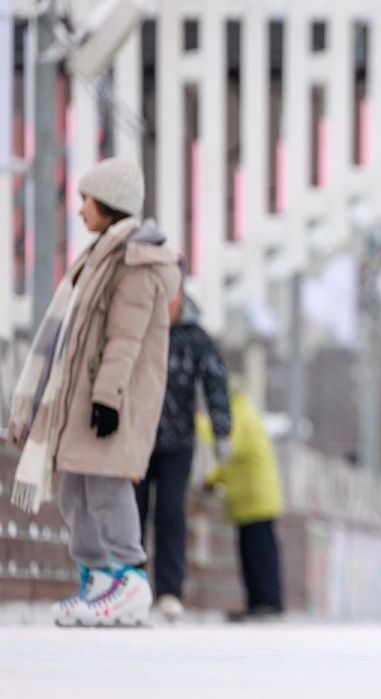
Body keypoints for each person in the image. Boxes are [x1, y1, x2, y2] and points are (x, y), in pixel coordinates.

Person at [7, 157, 180, 627]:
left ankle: (130, 577)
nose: (80, 208)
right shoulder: (98, 256)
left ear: (109, 204)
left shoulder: (136, 262)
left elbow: (125, 338)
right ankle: (100, 578)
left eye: (87, 199)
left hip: (106, 400)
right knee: (74, 491)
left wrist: (107, 398)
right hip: (78, 398)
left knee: (105, 487)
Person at [134, 288, 232, 621]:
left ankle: (169, 591)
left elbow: (216, 381)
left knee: (170, 513)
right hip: (139, 438)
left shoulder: (195, 338)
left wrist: (222, 431)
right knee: (133, 510)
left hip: (178, 442)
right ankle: (132, 584)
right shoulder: (139, 328)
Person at [199, 381, 285, 621]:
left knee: (260, 554)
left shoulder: (241, 413)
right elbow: (229, 461)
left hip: (255, 499)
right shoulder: (243, 410)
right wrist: (214, 478)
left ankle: (267, 602)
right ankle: (258, 603)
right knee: (252, 554)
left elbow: (229, 444)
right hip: (251, 500)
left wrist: (195, 422)